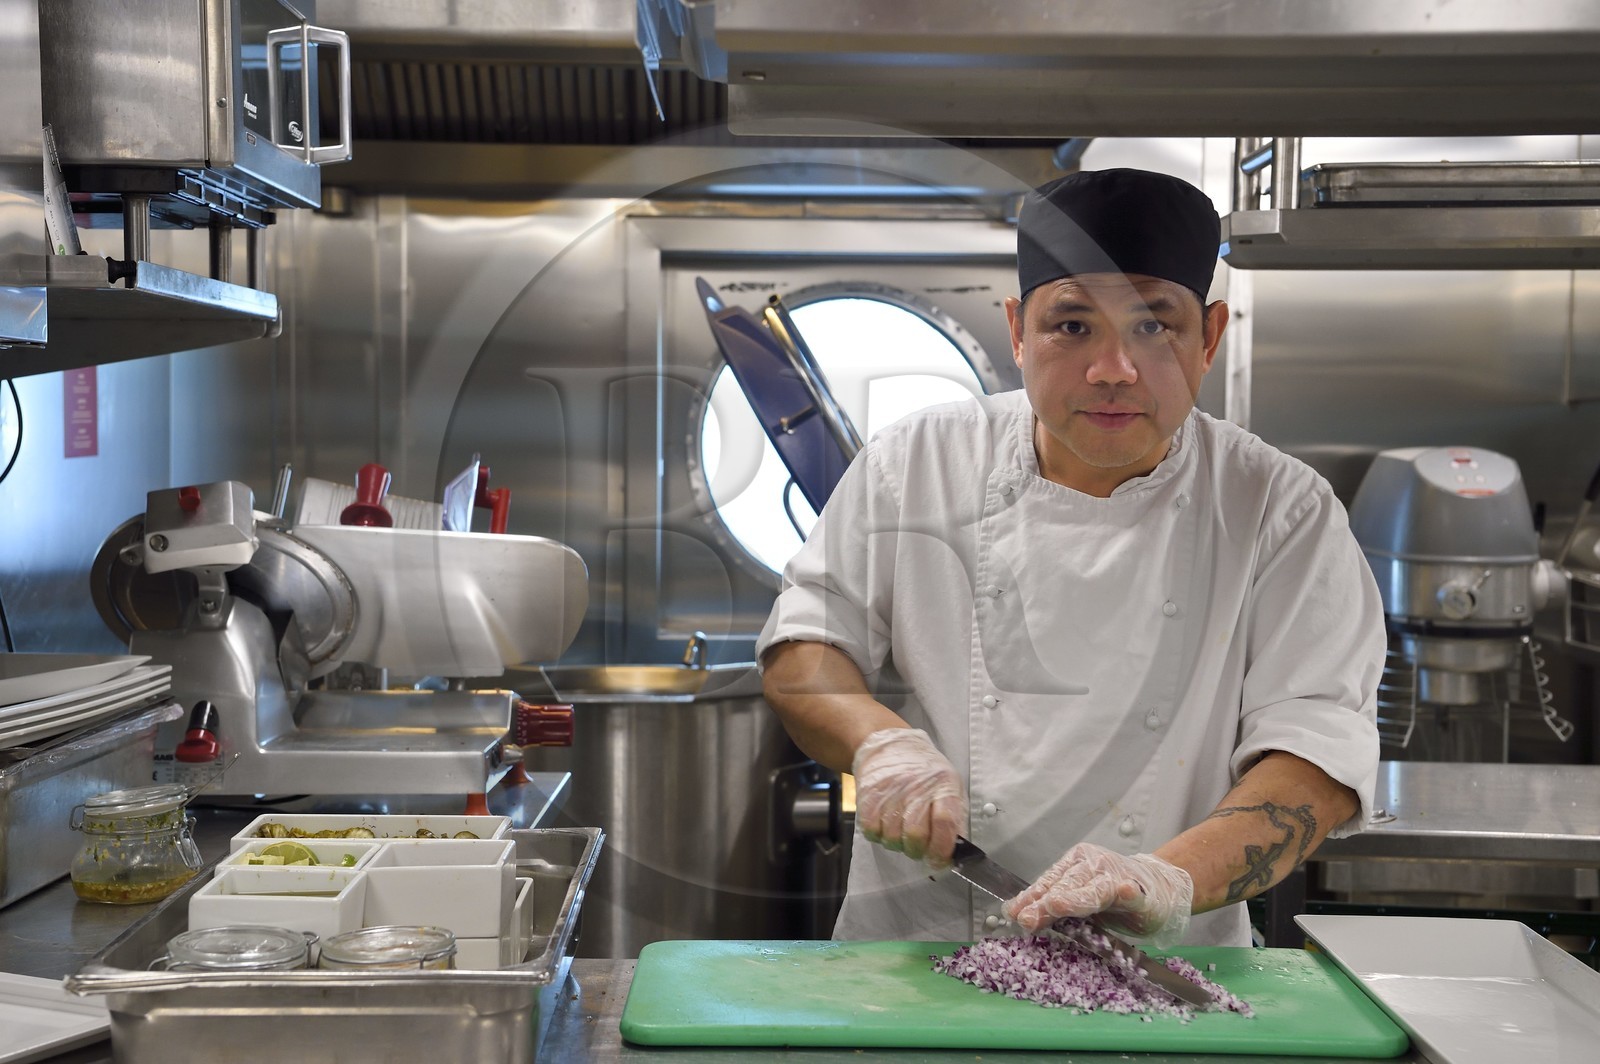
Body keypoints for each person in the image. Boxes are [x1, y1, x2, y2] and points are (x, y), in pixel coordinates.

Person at [755, 167, 1386, 948]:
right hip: (915, 960)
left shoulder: (1280, 511)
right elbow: (804, 647)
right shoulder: (914, 463)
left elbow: (1317, 752)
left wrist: (1167, 878)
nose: (1113, 370)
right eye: (1073, 326)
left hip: (1165, 968)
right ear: (1018, 330)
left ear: (1211, 337)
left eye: (1155, 327)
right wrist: (878, 743)